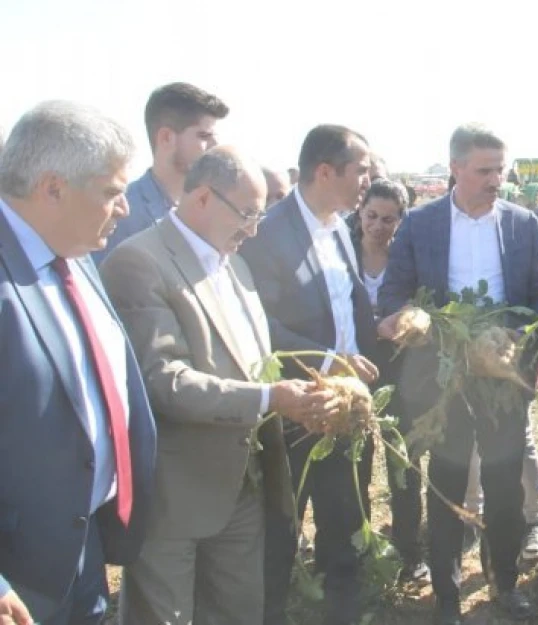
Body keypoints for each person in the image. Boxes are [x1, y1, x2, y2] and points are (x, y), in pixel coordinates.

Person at [100, 147, 337, 623]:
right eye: (247, 213)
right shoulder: (138, 263)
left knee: (238, 610)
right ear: (204, 198)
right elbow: (163, 379)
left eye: (260, 214)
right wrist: (270, 398)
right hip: (176, 495)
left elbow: (257, 361)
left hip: (243, 485)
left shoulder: (234, 264)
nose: (254, 229)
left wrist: (309, 393)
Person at [377, 124, 538, 625]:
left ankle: (505, 583)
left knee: (503, 485)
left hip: (502, 376)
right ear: (455, 168)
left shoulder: (522, 224)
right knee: (448, 483)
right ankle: (447, 596)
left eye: (501, 168)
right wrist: (416, 323)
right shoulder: (421, 225)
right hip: (442, 377)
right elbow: (393, 293)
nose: (497, 178)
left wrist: (516, 339)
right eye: (484, 170)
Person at [0, 100, 157, 625]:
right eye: (113, 192)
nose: (127, 207)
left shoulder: (78, 257)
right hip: (16, 578)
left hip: (83, 546)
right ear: (53, 188)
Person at [239, 124, 381, 625]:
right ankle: (270, 611)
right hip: (295, 407)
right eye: (361, 170)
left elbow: (346, 305)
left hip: (346, 405)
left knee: (345, 512)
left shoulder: (340, 226)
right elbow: (258, 325)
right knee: (281, 523)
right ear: (326, 171)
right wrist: (326, 362)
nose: (369, 178)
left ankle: (342, 605)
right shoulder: (268, 232)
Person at [345, 178, 429, 582]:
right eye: (371, 216)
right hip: (354, 366)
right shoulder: (341, 251)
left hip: (401, 368)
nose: (378, 226)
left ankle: (410, 551)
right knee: (354, 460)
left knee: (404, 461)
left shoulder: (408, 257)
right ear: (360, 213)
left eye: (389, 219)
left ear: (401, 221)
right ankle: (358, 547)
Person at [94, 82, 228, 264]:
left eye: (214, 138)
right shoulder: (122, 216)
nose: (215, 147)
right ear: (166, 138)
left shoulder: (212, 214)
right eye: (204, 136)